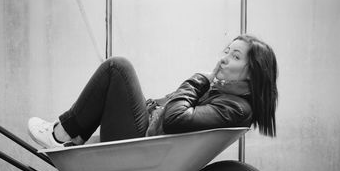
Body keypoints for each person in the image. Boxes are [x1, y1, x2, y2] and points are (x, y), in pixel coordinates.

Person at [28, 34, 278, 149]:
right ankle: (71, 137)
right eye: (226, 50)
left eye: (234, 56)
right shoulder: (225, 96)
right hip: (146, 141)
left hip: (142, 146)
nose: (223, 59)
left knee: (118, 67)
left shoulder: (236, 107)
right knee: (117, 72)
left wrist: (199, 79)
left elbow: (176, 118)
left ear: (253, 73)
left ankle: (61, 136)